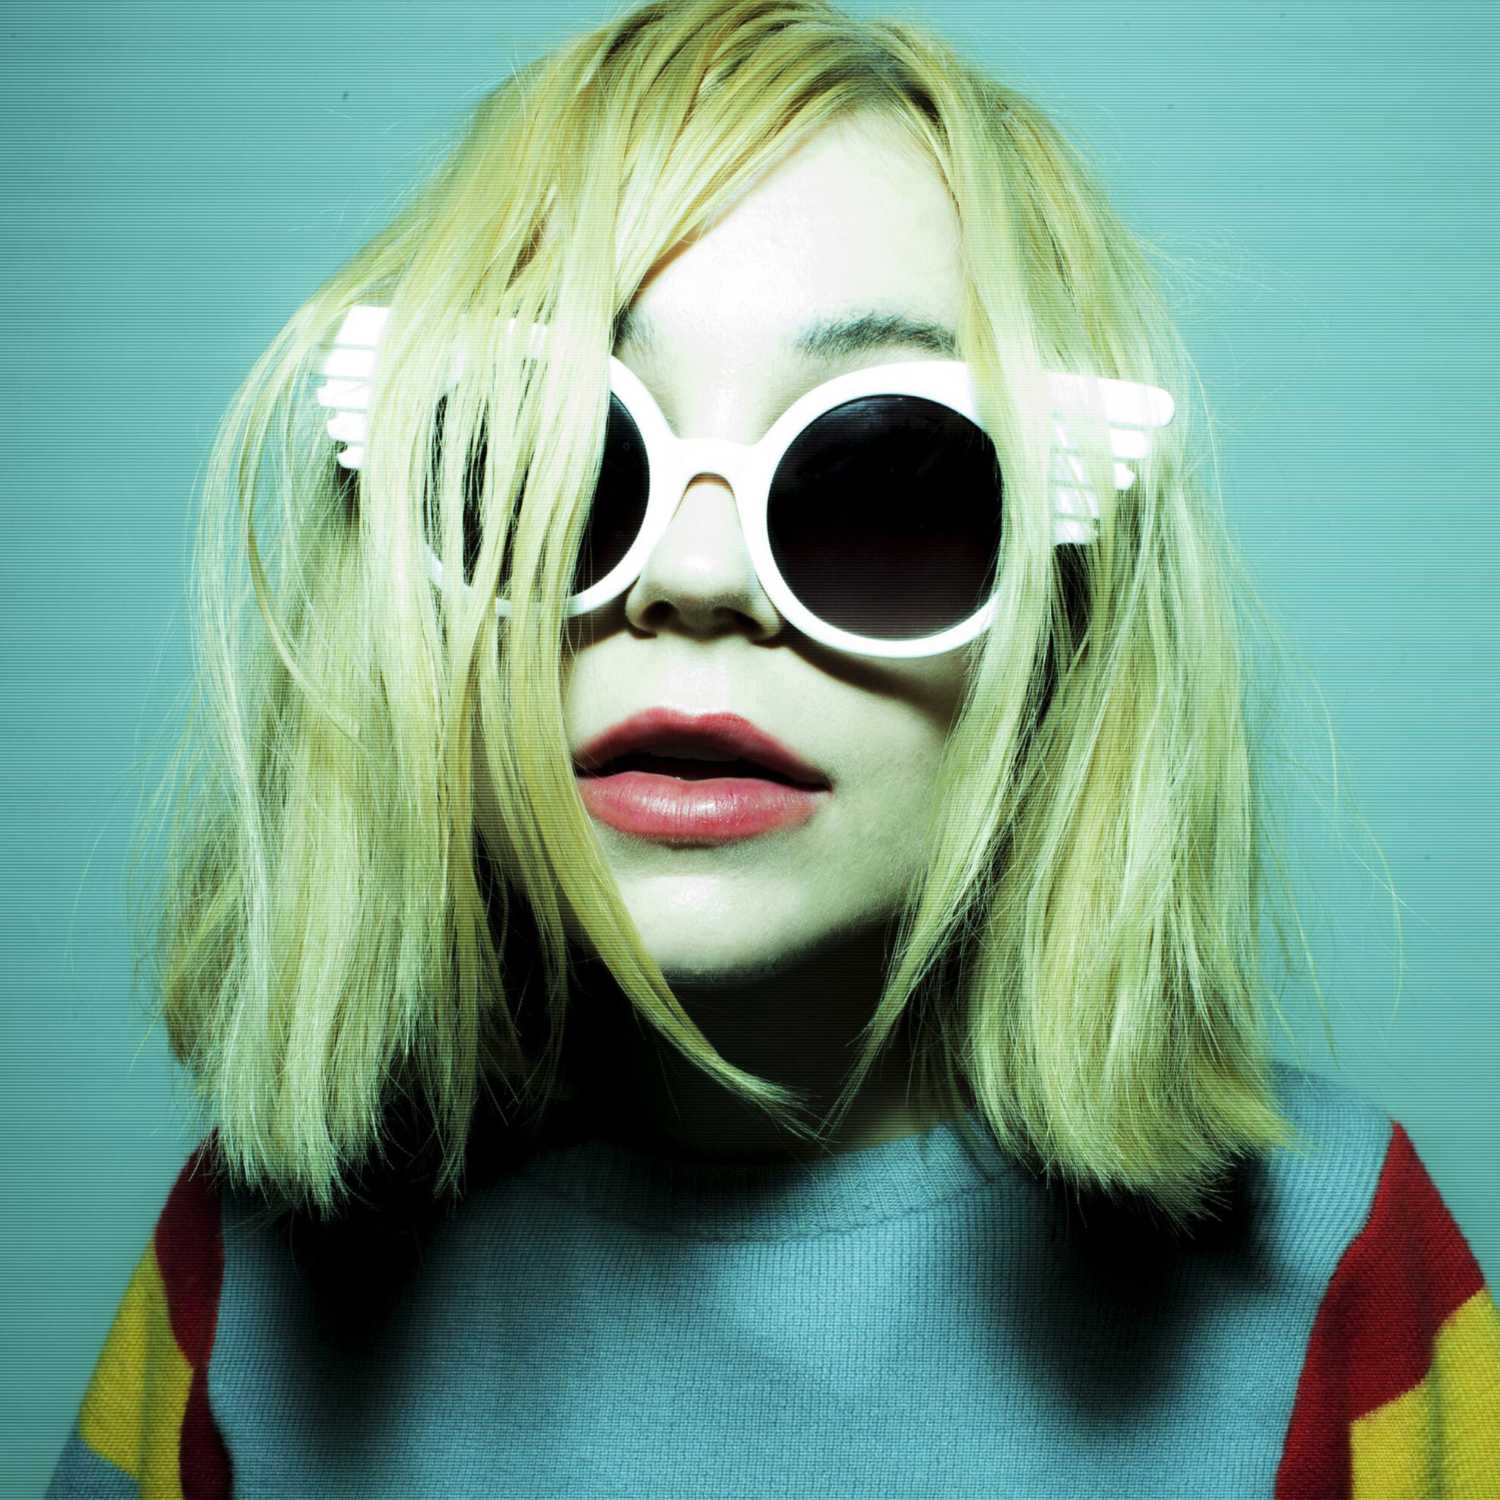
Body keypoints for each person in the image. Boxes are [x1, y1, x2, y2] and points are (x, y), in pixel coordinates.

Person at [47, 1, 1500, 1495]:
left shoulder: (1341, 1270)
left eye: (888, 479)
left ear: (1067, 619)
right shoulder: (248, 1273)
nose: (700, 577)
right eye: (560, 455)